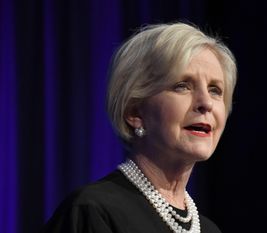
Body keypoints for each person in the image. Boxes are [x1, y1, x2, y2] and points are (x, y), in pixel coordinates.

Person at [41, 22, 237, 233]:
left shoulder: (208, 230)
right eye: (182, 86)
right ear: (134, 112)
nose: (206, 103)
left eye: (215, 90)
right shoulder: (93, 212)